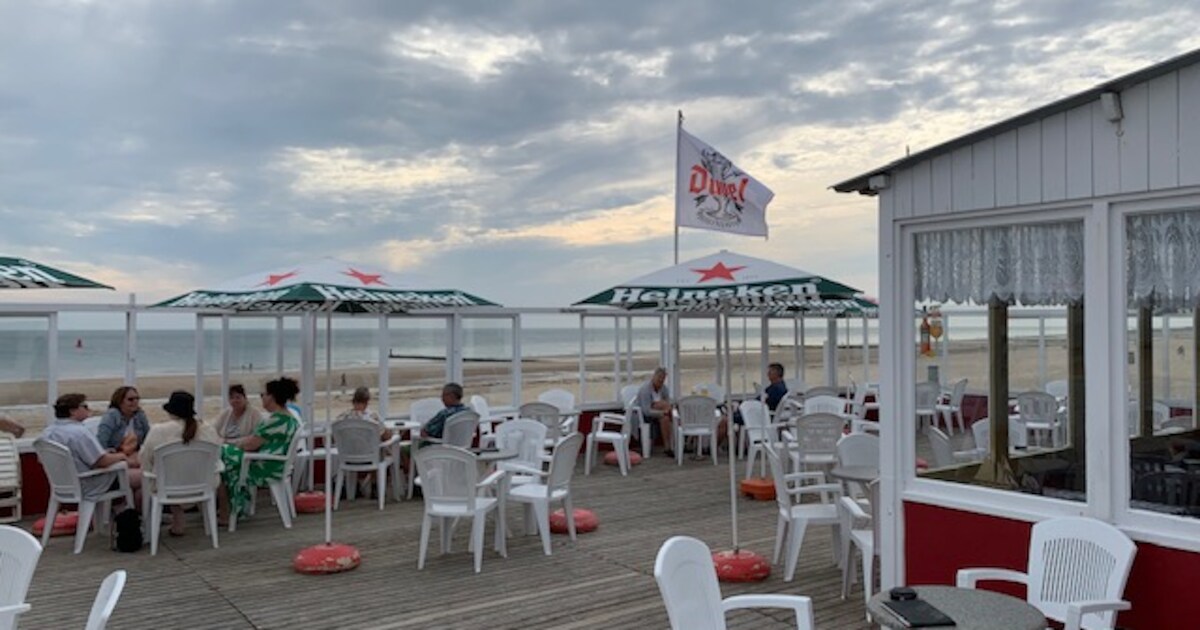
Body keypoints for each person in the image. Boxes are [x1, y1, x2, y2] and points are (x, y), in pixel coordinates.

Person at [218, 376, 301, 524]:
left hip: (266, 467)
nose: (262, 398)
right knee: (225, 455)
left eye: (263, 395)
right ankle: (231, 508)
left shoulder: (276, 420)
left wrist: (230, 444)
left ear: (271, 397)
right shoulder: (289, 418)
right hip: (275, 464)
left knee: (222, 457)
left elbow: (250, 444)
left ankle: (231, 510)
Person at [139, 390, 220, 536]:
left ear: (171, 411)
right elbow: (216, 457)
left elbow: (146, 458)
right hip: (202, 484)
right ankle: (187, 519)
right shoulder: (207, 430)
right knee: (180, 471)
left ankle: (175, 518)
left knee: (164, 473)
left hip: (169, 487)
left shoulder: (159, 431)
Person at [41, 393, 129, 501]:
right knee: (138, 477)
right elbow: (101, 461)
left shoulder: (47, 433)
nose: (88, 409)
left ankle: (115, 512)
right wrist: (121, 456)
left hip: (63, 485)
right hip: (89, 485)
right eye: (84, 406)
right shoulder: (79, 433)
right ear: (72, 411)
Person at [719, 363, 788, 447]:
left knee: (725, 420)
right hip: (757, 413)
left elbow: (765, 403)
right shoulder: (775, 387)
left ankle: (714, 447)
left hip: (758, 417)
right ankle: (740, 445)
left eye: (770, 372)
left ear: (777, 374)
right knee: (730, 416)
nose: (767, 374)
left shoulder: (777, 390)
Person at [97, 386, 150, 455]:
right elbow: (101, 441)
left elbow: (148, 437)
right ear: (120, 401)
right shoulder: (112, 416)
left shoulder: (139, 415)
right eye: (130, 399)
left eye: (137, 398)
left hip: (135, 454)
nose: (135, 401)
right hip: (114, 454)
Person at [636, 368, 675, 458]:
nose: (661, 380)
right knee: (666, 412)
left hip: (661, 414)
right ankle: (683, 440)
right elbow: (646, 411)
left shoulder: (664, 388)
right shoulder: (645, 390)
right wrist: (661, 412)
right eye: (659, 378)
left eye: (663, 378)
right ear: (654, 377)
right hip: (643, 416)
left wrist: (664, 411)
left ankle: (668, 447)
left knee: (666, 418)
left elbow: (668, 402)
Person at [418, 382, 467, 447]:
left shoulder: (445, 414)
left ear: (451, 396)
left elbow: (425, 432)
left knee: (405, 449)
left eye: (444, 395)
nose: (442, 399)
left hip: (439, 449)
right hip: (462, 450)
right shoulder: (468, 412)